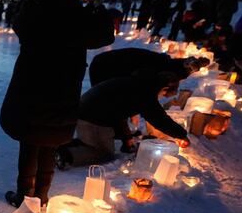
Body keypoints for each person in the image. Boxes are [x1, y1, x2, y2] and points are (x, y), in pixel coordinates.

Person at [0, 0, 114, 208]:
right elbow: (103, 36)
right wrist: (97, 8)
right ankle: (41, 196)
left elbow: (19, 25)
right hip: (63, 87)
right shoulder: (77, 13)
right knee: (50, 141)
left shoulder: (35, 9)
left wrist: (29, 2)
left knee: (30, 141)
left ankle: (24, 197)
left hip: (31, 86)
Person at [57, 72, 189, 168]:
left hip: (87, 110)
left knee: (92, 141)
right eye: (163, 95)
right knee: (104, 153)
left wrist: (127, 138)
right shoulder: (145, 92)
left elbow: (119, 112)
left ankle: (59, 145)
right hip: (93, 117)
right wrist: (181, 134)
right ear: (164, 88)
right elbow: (158, 118)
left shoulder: (139, 82)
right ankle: (65, 155)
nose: (161, 97)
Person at [89, 48, 209, 86]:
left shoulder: (164, 62)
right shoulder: (153, 69)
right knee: (105, 95)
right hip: (105, 66)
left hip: (105, 61)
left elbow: (179, 64)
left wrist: (198, 63)